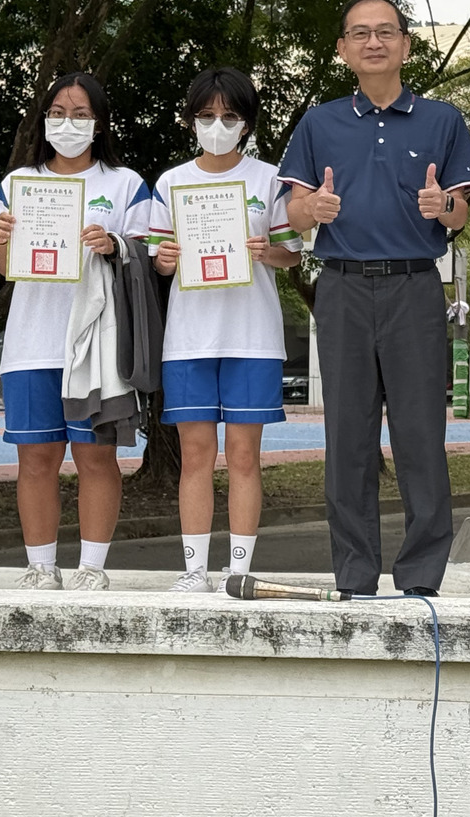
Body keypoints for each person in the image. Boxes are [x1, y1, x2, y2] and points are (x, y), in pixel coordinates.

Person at [279, 0, 470, 598]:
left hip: (416, 287)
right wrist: (308, 210)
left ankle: (421, 576)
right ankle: (355, 575)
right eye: (359, 34)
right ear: (342, 49)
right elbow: (292, 210)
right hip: (339, 286)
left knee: (422, 436)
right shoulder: (319, 123)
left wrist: (444, 206)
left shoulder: (441, 120)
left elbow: (463, 211)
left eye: (385, 32)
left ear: (406, 45)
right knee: (347, 439)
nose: (373, 42)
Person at [0, 73, 152, 591]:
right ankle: (39, 566)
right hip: (32, 341)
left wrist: (113, 243)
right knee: (36, 457)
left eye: (80, 113)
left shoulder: (125, 184)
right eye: (57, 112)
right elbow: (2, 265)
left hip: (97, 344)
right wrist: (3, 240)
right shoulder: (18, 184)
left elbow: (148, 261)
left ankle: (92, 568)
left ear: (99, 123)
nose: (68, 123)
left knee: (95, 456)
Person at [151, 68, 304, 591]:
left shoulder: (269, 178)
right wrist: (166, 258)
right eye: (206, 115)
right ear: (191, 120)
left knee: (243, 456)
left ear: (246, 123)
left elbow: (290, 254)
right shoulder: (171, 182)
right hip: (189, 338)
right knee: (194, 456)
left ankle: (239, 570)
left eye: (229, 116)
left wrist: (269, 251)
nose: (217, 124)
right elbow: (159, 260)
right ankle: (194, 569)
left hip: (252, 337)